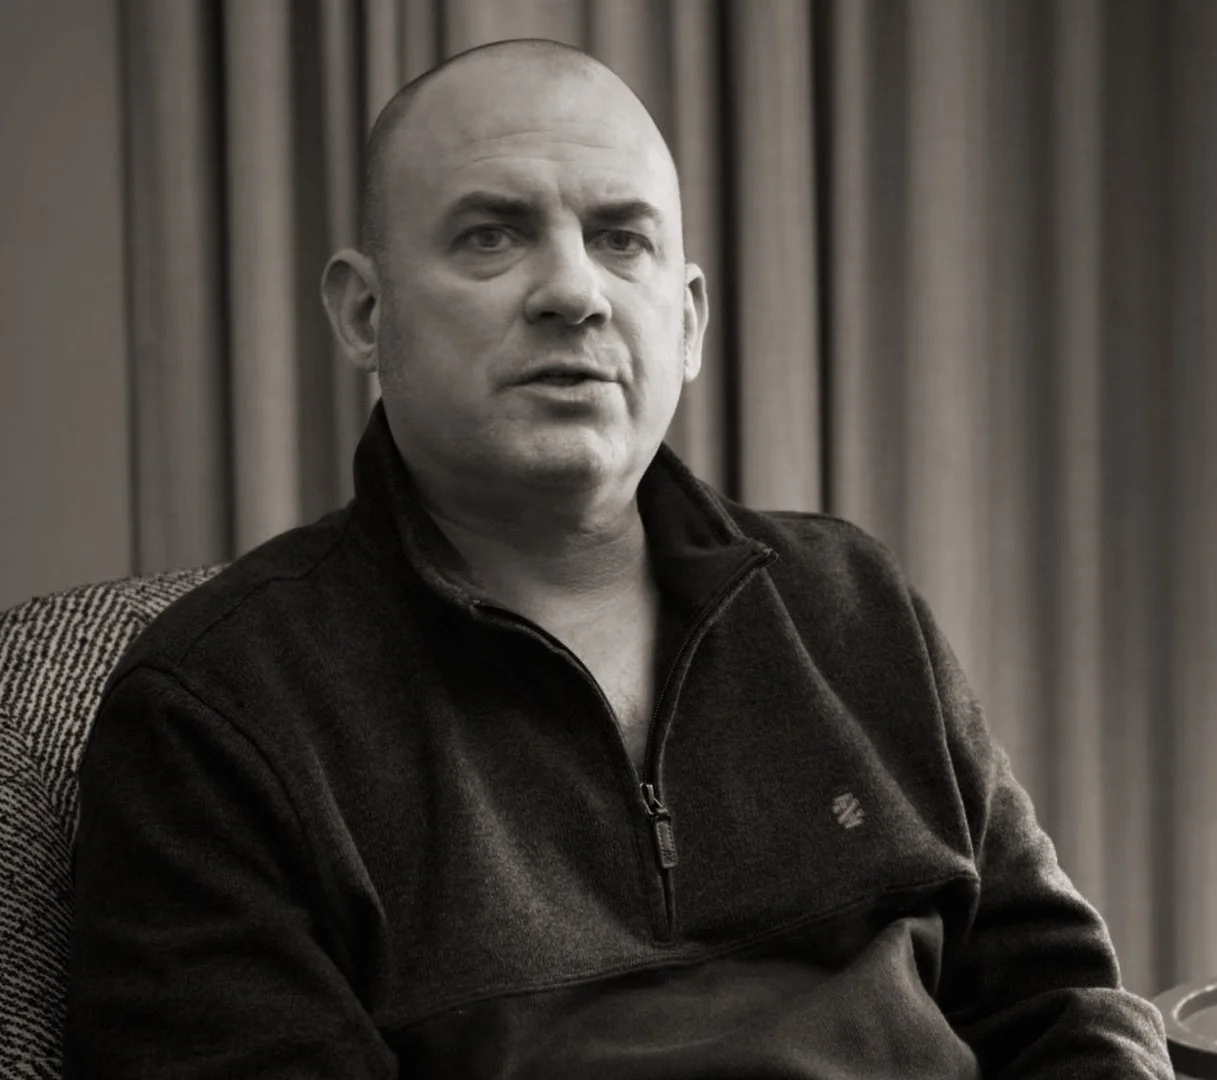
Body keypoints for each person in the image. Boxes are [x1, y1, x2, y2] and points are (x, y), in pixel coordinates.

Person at [65, 37, 1173, 1079]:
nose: (574, 292)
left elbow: (1060, 999)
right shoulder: (218, 710)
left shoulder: (848, 602)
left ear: (684, 322)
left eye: (621, 239)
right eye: (490, 235)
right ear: (364, 312)